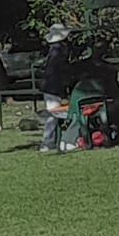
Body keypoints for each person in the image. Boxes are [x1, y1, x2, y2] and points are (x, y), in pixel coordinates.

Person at [39, 23, 72, 152]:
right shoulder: (58, 51)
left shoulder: (55, 49)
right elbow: (57, 71)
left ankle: (51, 140)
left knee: (53, 114)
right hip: (53, 87)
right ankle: (47, 142)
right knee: (52, 114)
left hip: (51, 86)